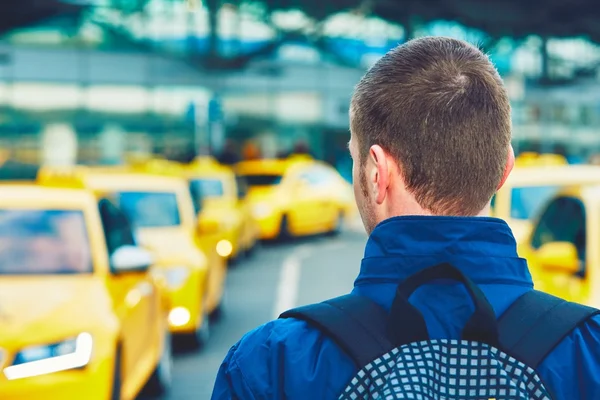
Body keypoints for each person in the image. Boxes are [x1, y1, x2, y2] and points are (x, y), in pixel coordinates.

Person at [211, 37, 600, 399]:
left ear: (377, 172)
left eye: (354, 157)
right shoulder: (588, 352)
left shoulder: (271, 364)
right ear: (505, 170)